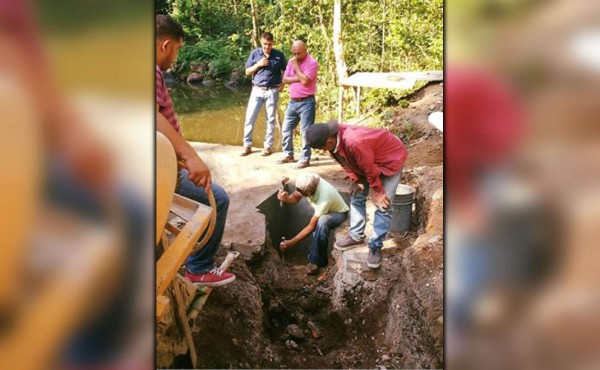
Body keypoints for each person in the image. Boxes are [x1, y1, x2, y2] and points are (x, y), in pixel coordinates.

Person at [156, 14, 235, 286]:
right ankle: (199, 268)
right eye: (176, 49)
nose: (175, 58)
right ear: (166, 45)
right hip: (159, 168)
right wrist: (190, 157)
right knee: (219, 199)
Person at [304, 120, 408, 269]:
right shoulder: (333, 142)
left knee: (384, 205)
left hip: (390, 157)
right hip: (368, 158)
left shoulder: (353, 141)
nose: (322, 151)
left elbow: (369, 168)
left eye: (322, 148)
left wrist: (378, 191)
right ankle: (356, 236)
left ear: (329, 140)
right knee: (357, 194)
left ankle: (375, 246)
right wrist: (356, 178)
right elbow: (344, 162)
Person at [277, 173, 348, 275]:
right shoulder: (308, 179)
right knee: (319, 226)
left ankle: (316, 261)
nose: (300, 193)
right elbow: (296, 196)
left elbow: (311, 226)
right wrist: (287, 198)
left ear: (310, 192)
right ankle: (321, 259)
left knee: (322, 222)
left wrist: (292, 242)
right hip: (324, 210)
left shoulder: (325, 198)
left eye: (303, 193)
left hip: (339, 213)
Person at [240, 32, 287, 157]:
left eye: (269, 44)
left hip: (272, 90)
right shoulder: (255, 54)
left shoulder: (278, 55)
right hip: (257, 90)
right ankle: (247, 145)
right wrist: (258, 64)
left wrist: (283, 83)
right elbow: (247, 72)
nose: (267, 47)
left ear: (273, 43)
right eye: (265, 44)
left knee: (270, 120)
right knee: (250, 118)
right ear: (261, 42)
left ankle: (267, 147)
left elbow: (287, 70)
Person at [277, 40, 319, 168]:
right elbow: (285, 79)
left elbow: (306, 81)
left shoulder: (312, 63)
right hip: (293, 101)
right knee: (286, 128)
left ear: (305, 50)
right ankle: (288, 154)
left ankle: (305, 158)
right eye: (293, 53)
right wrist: (298, 78)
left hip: (307, 101)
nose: (295, 56)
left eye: (298, 53)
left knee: (306, 131)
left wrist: (296, 68)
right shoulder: (290, 61)